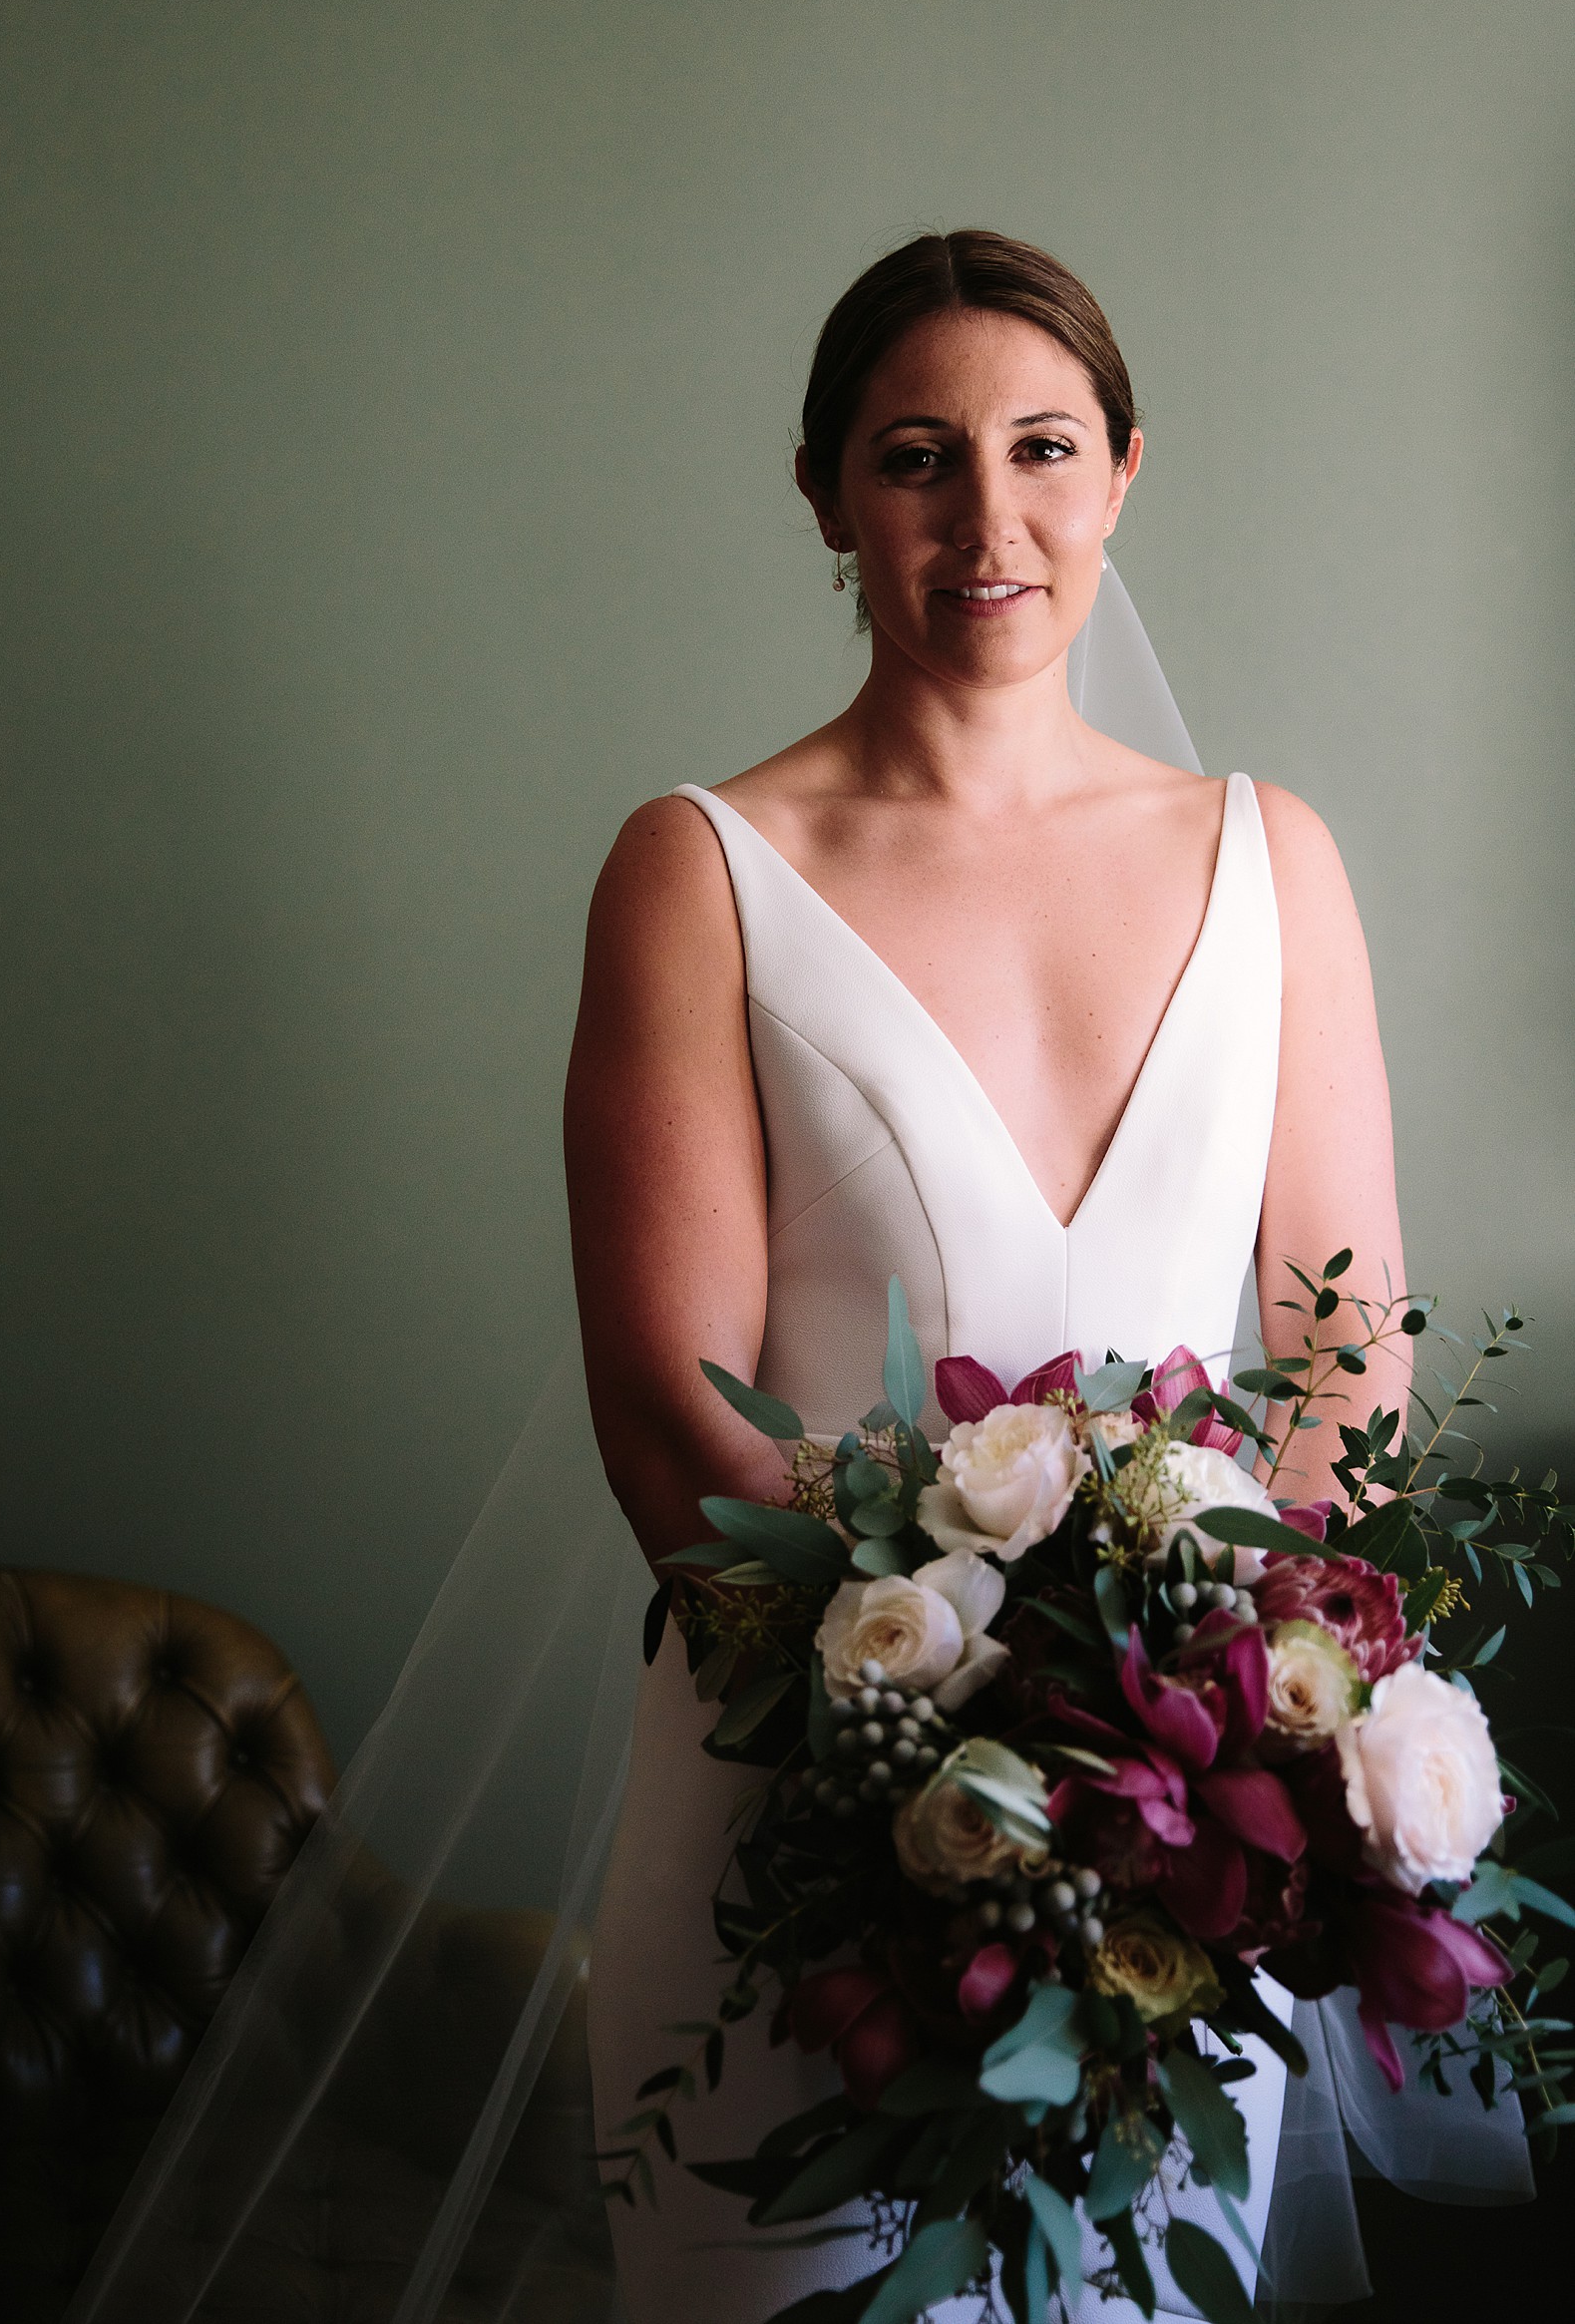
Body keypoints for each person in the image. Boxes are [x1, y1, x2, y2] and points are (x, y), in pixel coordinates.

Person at [568, 228, 1408, 2321]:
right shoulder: (701, 870)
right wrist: (911, 1789)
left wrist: (1193, 1768)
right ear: (827, 494)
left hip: (1186, 1852)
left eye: (1042, 447)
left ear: (1124, 471)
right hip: (805, 1835)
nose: (987, 516)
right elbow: (674, 1413)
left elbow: (1340, 1375)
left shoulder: (1269, 860)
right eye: (917, 457)